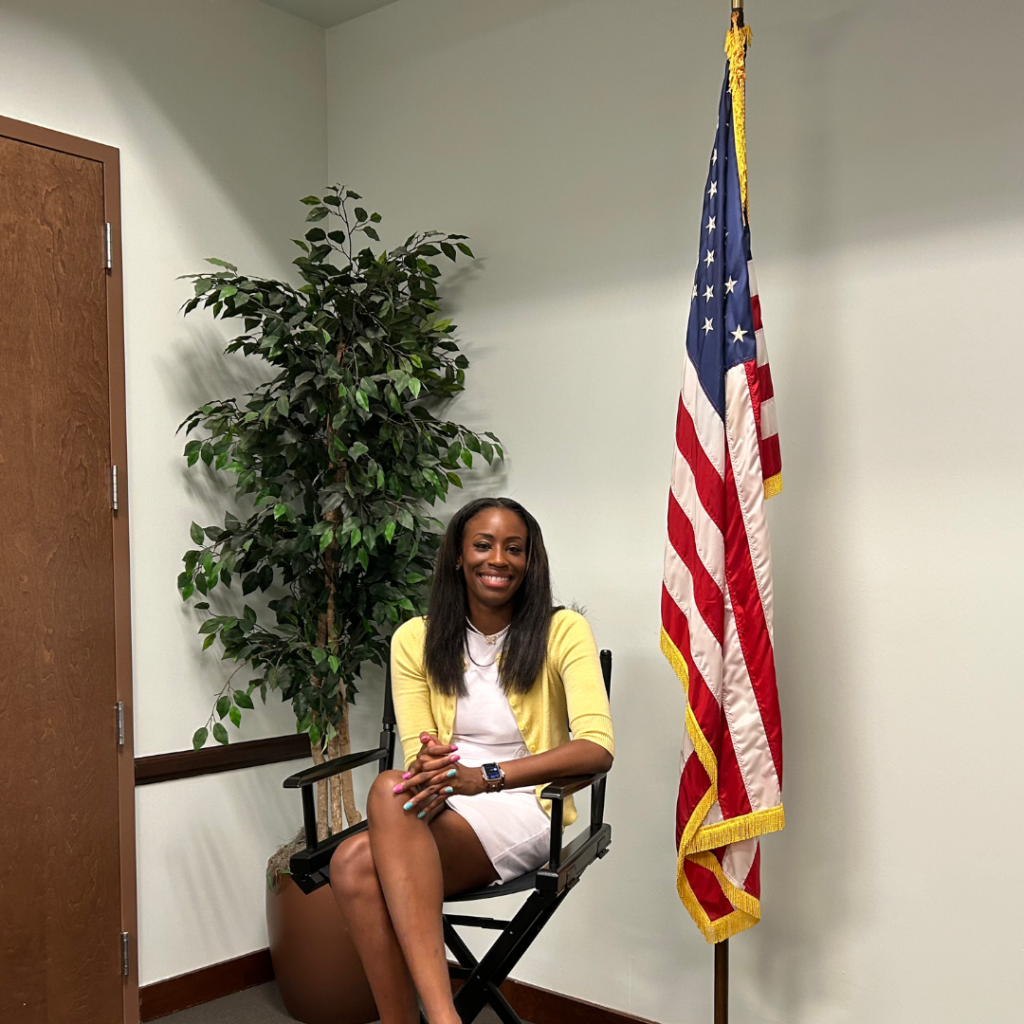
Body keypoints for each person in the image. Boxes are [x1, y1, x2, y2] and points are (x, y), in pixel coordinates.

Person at [329, 497, 614, 1024]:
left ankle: (439, 1018)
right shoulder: (415, 638)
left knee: (359, 850)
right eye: (483, 545)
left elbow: (596, 747)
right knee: (370, 826)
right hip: (444, 800)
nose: (498, 559)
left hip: (524, 804)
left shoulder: (563, 630)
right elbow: (420, 758)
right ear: (458, 557)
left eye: (514, 548)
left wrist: (485, 777)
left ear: (531, 561)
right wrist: (434, 766)